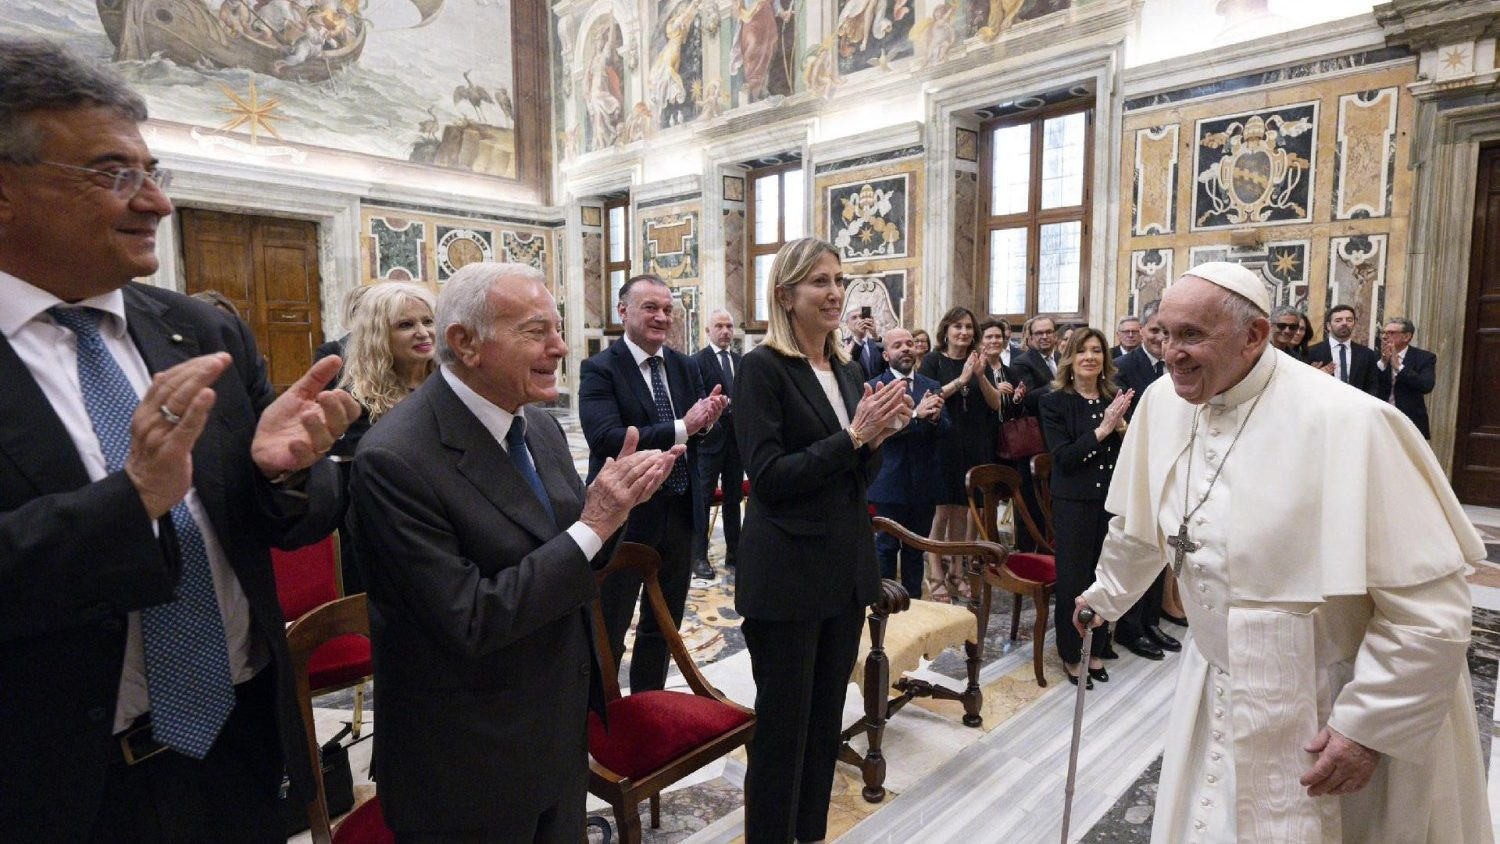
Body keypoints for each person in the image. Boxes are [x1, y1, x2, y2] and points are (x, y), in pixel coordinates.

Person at [0, 38, 360, 840]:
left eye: (152, 171)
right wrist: (130, 504)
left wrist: (281, 475)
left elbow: (287, 522)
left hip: (240, 748)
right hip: (64, 788)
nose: (158, 203)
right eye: (112, 174)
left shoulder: (200, 331)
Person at [1075, 262, 1490, 843]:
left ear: (1255, 335)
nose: (1171, 354)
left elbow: (1430, 609)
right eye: (1164, 334)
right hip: (1219, 680)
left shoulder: (1353, 422)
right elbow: (1143, 524)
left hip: (1330, 700)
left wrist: (1367, 727)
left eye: (1192, 335)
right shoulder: (1161, 404)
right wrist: (1106, 595)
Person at [349, 262, 681, 840]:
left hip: (555, 730)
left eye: (558, 329)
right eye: (535, 331)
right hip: (469, 759)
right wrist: (594, 523)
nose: (560, 347)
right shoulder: (395, 458)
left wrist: (614, 513)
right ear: (465, 343)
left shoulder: (538, 428)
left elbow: (577, 559)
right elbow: (471, 618)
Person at [734, 237, 911, 843]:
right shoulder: (762, 369)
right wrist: (854, 438)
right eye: (819, 281)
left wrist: (877, 438)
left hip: (843, 570)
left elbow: (856, 477)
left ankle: (809, 834)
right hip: (787, 575)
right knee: (783, 733)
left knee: (824, 726)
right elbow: (770, 479)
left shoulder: (848, 368)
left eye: (838, 280)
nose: (835, 292)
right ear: (786, 295)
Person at [580, 274, 729, 692]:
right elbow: (608, 439)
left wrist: (707, 422)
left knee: (664, 623)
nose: (662, 317)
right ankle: (602, 710)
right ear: (623, 311)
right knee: (611, 622)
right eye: (650, 308)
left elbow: (701, 436)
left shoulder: (685, 366)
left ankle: (650, 700)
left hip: (680, 511)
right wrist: (686, 426)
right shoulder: (599, 369)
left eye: (667, 309)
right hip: (625, 517)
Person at [1040, 328, 1132, 687]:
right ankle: (1071, 652)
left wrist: (1122, 428)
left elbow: (1129, 453)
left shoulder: (1113, 397)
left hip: (1109, 500)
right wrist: (1104, 429)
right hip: (1073, 502)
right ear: (1070, 359)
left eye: (1096, 351)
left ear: (1105, 359)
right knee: (1074, 581)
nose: (1090, 357)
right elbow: (1063, 458)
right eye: (1082, 351)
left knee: (1102, 578)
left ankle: (1096, 647)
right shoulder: (1054, 402)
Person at [1108, 299, 1181, 657]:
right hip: (1136, 468)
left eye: (1167, 332)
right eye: (1154, 330)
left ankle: (1151, 621)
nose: (1160, 338)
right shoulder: (1122, 368)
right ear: (1141, 331)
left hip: (1166, 469)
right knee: (1136, 547)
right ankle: (1129, 628)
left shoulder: (1176, 366)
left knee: (1158, 549)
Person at [919, 306, 1003, 601]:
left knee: (962, 509)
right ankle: (935, 573)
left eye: (968, 327)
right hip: (942, 443)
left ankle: (957, 570)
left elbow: (995, 404)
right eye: (958, 327)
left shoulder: (978, 360)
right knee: (942, 511)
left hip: (974, 442)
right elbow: (928, 397)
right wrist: (962, 379)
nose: (964, 332)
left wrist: (980, 375)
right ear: (946, 331)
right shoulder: (933, 360)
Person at [866, 327, 948, 599]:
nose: (905, 349)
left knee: (916, 549)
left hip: (924, 483)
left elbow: (946, 430)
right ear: (886, 354)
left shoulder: (931, 384)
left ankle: (913, 604)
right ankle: (884, 604)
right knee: (886, 548)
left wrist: (935, 418)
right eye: (897, 345)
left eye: (909, 344)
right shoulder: (876, 386)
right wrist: (915, 415)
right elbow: (879, 431)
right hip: (889, 483)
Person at [335, 281, 437, 455]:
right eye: (406, 325)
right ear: (378, 336)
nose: (423, 333)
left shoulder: (454, 383)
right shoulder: (358, 400)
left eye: (428, 322)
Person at [691, 308, 744, 573]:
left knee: (733, 499)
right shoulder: (697, 362)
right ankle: (698, 556)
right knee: (703, 499)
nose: (725, 331)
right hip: (709, 442)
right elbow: (696, 399)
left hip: (736, 443)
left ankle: (735, 553)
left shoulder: (740, 360)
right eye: (719, 326)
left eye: (729, 326)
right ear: (708, 330)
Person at [1377, 317, 1435, 440]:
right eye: (1384, 333)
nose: (1385, 337)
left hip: (1410, 420)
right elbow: (1370, 384)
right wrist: (1383, 363)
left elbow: (1426, 385)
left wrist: (1399, 367)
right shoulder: (1375, 356)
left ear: (1407, 337)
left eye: (1391, 333)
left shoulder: (1424, 357)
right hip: (1380, 419)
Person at [1307, 304, 1380, 396]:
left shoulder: (1367, 354)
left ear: (1354, 324)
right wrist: (1316, 376)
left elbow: (1372, 386)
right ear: (1329, 326)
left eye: (1349, 320)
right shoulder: (1311, 352)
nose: (1344, 323)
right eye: (1338, 320)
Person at [1010, 314, 1059, 412]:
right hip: (1041, 417)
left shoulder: (1064, 358)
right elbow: (1029, 399)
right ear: (1031, 337)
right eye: (1039, 333)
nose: (1044, 337)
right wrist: (1060, 383)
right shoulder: (1021, 363)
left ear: (1055, 335)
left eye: (1049, 332)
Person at [844, 306, 887, 379]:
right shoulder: (843, 344)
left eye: (861, 317)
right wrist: (858, 338)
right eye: (854, 318)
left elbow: (888, 362)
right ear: (847, 324)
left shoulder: (877, 343)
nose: (859, 320)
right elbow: (845, 367)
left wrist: (875, 335)